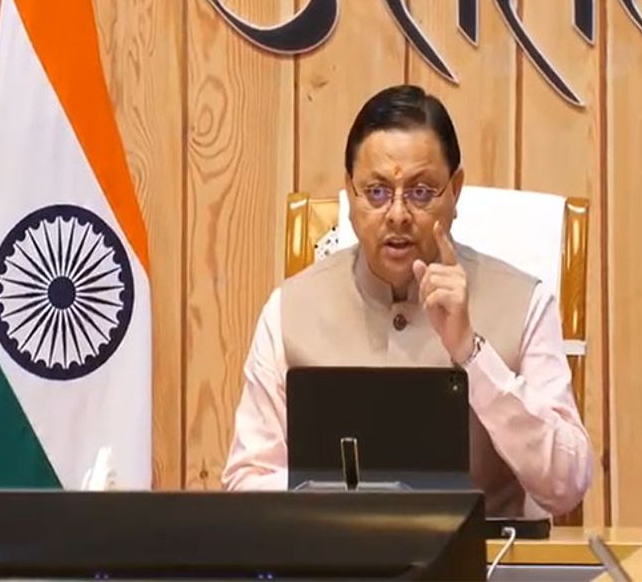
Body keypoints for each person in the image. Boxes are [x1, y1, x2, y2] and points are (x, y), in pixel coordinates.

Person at [222, 84, 593, 517]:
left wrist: (472, 355)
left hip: (480, 555)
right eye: (377, 192)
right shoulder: (289, 311)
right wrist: (340, 499)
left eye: (420, 192)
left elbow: (566, 485)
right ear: (350, 193)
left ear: (455, 191)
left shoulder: (524, 302)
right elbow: (246, 482)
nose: (397, 214)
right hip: (332, 553)